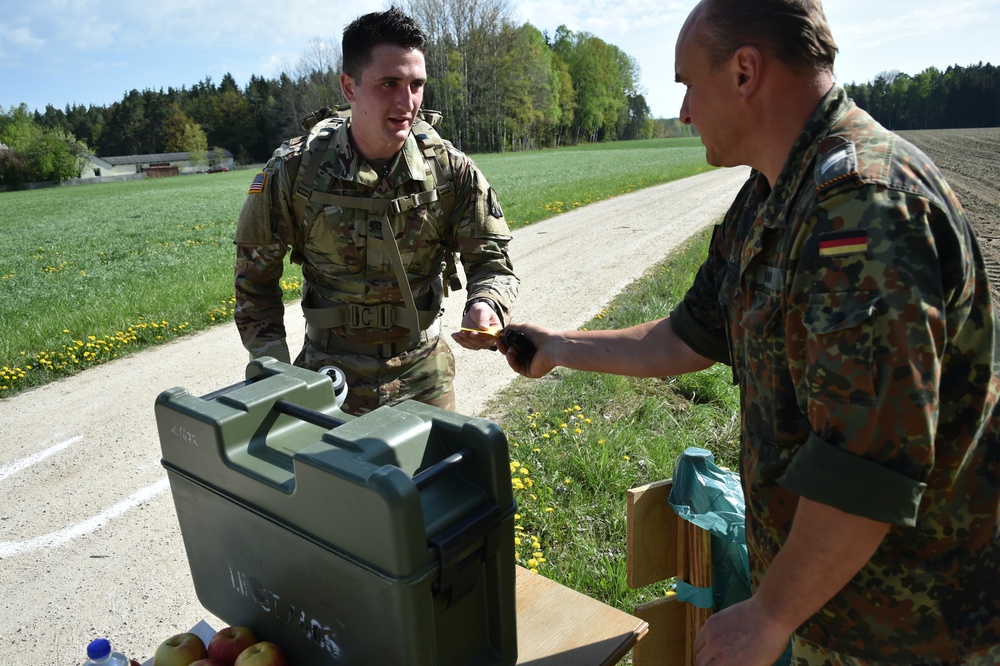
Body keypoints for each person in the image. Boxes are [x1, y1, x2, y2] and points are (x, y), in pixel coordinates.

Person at [500, 1, 1000, 664]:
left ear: (744, 72)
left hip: (912, 629)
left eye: (685, 84)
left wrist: (768, 614)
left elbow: (866, 469)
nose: (682, 111)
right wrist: (559, 346)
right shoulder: (770, 196)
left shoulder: (863, 208)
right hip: (830, 608)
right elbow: (685, 337)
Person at [233, 7, 518, 415]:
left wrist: (487, 303)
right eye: (389, 83)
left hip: (424, 374)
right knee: (333, 480)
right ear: (349, 87)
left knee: (436, 478)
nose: (407, 102)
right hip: (328, 378)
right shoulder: (295, 171)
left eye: (417, 85)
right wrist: (275, 368)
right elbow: (254, 284)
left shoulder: (450, 170)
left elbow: (492, 262)